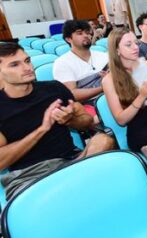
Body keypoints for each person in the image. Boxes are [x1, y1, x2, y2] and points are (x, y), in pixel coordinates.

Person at [0, 43, 114, 200]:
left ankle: (73, 188)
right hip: (29, 176)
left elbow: (87, 121)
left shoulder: (54, 89)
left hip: (70, 161)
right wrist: (42, 129)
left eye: (27, 61)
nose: (26, 67)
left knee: (104, 140)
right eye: (15, 65)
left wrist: (70, 119)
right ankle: (77, 188)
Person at [102, 29, 147, 173]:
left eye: (136, 43)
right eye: (128, 45)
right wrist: (141, 96)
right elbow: (121, 120)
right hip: (140, 127)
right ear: (116, 50)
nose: (135, 47)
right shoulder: (109, 79)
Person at [53, 20, 108, 105]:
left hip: (112, 97)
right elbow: (72, 94)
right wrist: (104, 87)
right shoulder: (62, 63)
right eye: (79, 33)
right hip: (86, 105)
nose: (86, 35)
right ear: (68, 39)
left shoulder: (103, 56)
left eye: (87, 32)